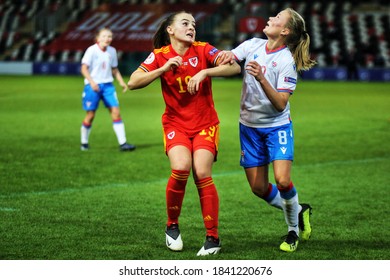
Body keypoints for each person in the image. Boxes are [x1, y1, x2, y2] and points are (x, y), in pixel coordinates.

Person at [127, 11, 241, 256]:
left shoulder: (203, 50)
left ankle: (213, 238)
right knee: (180, 168)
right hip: (175, 124)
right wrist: (162, 69)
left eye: (194, 24)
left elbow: (234, 68)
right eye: (185, 23)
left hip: (205, 124)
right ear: (170, 30)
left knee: (201, 172)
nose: (192, 28)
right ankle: (172, 226)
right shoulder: (160, 56)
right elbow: (133, 82)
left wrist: (206, 72)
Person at [219, 8, 315, 252]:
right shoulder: (253, 45)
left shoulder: (286, 61)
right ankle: (299, 209)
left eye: (277, 18)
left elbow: (281, 103)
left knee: (282, 180)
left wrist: (262, 78)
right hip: (249, 127)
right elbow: (228, 56)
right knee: (259, 188)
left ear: (284, 31)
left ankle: (292, 232)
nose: (270, 18)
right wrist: (217, 57)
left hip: (276, 127)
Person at [80, 27, 135, 152]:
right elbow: (83, 69)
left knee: (116, 112)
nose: (107, 39)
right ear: (98, 38)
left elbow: (114, 69)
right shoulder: (91, 50)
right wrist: (92, 82)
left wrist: (121, 82)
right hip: (92, 87)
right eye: (104, 36)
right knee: (90, 115)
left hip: (108, 86)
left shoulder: (112, 51)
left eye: (109, 36)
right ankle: (84, 142)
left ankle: (123, 143)